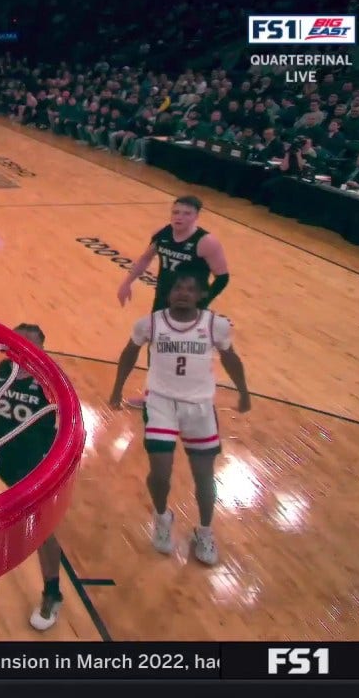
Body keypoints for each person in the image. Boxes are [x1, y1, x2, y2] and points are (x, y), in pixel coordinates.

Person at [108, 268, 251, 565]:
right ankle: (162, 517)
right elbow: (129, 353)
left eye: (190, 289)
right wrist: (117, 389)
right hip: (160, 403)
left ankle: (205, 531)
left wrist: (244, 392)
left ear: (201, 294)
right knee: (160, 473)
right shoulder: (150, 324)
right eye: (177, 289)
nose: (183, 294)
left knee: (204, 478)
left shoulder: (216, 326)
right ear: (168, 293)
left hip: (199, 407)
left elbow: (230, 358)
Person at [0, 323, 64, 630]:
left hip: (37, 461)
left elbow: (64, 422)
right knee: (25, 515)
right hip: (8, 456)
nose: (24, 349)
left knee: (43, 527)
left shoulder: (50, 381)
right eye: (18, 342)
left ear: (42, 350)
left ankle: (53, 593)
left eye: (32, 345)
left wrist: (56, 461)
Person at [115, 195, 230, 408]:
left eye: (186, 214)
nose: (179, 217)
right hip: (162, 300)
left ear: (196, 216)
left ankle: (188, 399)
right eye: (176, 212)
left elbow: (223, 277)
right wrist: (127, 282)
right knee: (155, 348)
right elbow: (145, 258)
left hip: (187, 308)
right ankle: (153, 396)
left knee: (181, 353)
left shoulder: (206, 242)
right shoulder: (163, 234)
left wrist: (202, 303)